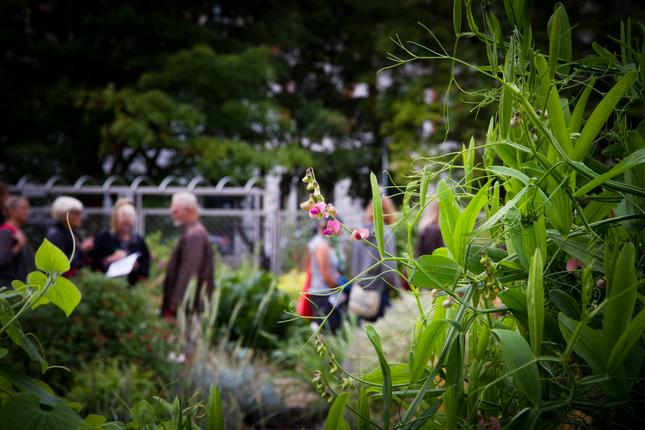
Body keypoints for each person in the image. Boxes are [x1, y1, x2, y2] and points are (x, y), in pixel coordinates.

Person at [161, 192, 214, 320]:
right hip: (189, 302)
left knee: (187, 339)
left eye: (176, 211)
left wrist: (176, 302)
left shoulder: (194, 234)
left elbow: (189, 270)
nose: (172, 214)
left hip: (189, 305)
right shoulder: (193, 232)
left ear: (189, 210)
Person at [350, 196, 398, 321]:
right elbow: (389, 270)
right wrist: (398, 290)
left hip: (360, 291)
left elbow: (354, 265)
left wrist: (359, 282)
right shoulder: (385, 233)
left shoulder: (359, 233)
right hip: (378, 292)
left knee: (363, 333)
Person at [91, 200, 150, 285]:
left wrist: (136, 267)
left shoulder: (138, 241)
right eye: (123, 223)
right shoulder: (104, 237)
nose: (126, 226)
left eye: (128, 223)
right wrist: (109, 260)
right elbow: (92, 263)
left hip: (132, 287)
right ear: (116, 219)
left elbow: (146, 267)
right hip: (106, 286)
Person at [307, 221, 346, 332]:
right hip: (323, 295)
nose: (341, 231)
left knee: (330, 330)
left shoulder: (327, 244)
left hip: (326, 293)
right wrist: (339, 285)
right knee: (328, 331)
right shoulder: (321, 247)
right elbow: (325, 275)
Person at [46, 196, 94, 275]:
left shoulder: (73, 232)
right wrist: (82, 250)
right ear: (64, 215)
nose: (80, 217)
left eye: (80, 214)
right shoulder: (56, 235)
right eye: (76, 214)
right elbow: (60, 266)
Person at [0, 196, 34, 287]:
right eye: (23, 208)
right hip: (7, 287)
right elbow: (1, 260)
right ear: (11, 211)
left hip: (17, 286)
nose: (27, 212)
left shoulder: (17, 231)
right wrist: (19, 245)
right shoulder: (5, 232)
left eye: (27, 208)